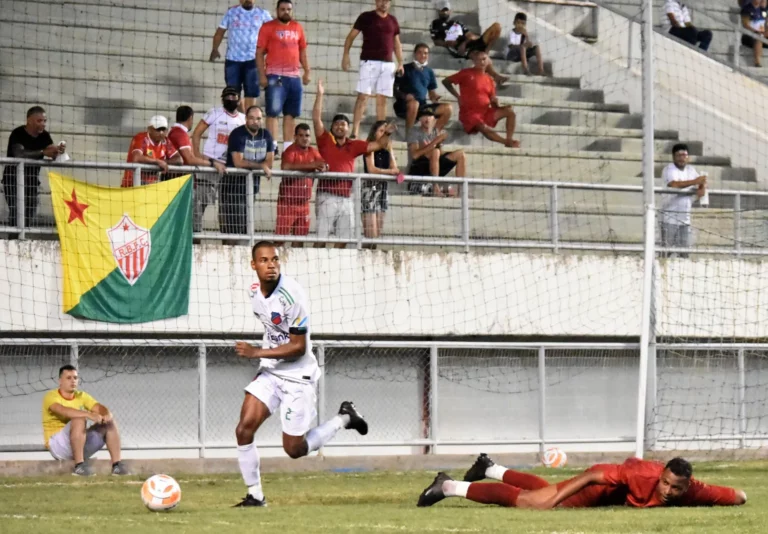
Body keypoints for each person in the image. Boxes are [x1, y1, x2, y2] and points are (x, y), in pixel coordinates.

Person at [232, 241, 369, 507]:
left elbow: (298, 347)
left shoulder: (292, 296)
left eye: (275, 260)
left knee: (294, 450)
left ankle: (344, 418)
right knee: (243, 429)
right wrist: (264, 357)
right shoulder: (253, 292)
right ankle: (255, 496)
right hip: (271, 373)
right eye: (264, 260)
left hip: (298, 377)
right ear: (253, 265)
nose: (271, 265)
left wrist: (256, 353)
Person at [418, 453, 747, 508]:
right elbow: (592, 475)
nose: (669, 492)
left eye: (677, 488)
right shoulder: (638, 474)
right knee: (533, 500)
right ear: (660, 476)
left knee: (539, 487)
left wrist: (738, 497)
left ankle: (488, 468)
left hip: (608, 496)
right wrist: (555, 501)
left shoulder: (696, 491)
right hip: (597, 487)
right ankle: (449, 486)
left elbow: (739, 496)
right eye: (665, 484)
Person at [312, 79, 397, 248]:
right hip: (327, 195)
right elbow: (316, 118)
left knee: (344, 239)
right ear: (332, 128)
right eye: (336, 124)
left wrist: (386, 133)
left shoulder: (354, 145)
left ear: (348, 128)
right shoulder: (325, 141)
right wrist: (320, 95)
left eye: (343, 124)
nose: (339, 127)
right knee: (321, 238)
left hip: (346, 197)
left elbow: (378, 144)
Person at [42, 365, 128, 477]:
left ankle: (117, 466)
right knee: (79, 418)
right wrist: (89, 414)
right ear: (60, 381)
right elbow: (64, 411)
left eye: (75, 378)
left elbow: (99, 407)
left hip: (79, 444)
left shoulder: (82, 396)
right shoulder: (51, 396)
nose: (73, 381)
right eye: (68, 378)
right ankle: (79, 467)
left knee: (109, 422)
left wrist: (106, 413)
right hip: (58, 446)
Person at [342, 0, 404, 139]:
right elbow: (351, 37)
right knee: (363, 96)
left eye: (386, 1)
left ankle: (380, 130)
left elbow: (396, 43)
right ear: (376, 2)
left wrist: (400, 62)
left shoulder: (393, 20)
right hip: (369, 62)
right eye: (381, 0)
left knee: (382, 99)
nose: (384, 3)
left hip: (387, 63)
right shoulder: (366, 17)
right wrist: (346, 55)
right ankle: (355, 130)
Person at [257, 0, 311, 155]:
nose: (286, 12)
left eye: (288, 9)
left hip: (294, 77)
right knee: (273, 112)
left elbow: (302, 52)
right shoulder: (268, 27)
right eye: (283, 9)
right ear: (277, 10)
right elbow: (259, 53)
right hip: (275, 75)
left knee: (291, 114)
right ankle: (272, 146)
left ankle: (287, 147)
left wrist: (307, 71)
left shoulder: (298, 27)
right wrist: (262, 75)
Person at [191, 87, 247, 232]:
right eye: (227, 96)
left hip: (230, 168)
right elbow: (196, 133)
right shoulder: (214, 113)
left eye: (233, 96)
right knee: (198, 203)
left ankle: (226, 240)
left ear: (239, 99)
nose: (230, 99)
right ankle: (194, 238)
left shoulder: (243, 119)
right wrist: (197, 155)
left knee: (226, 207)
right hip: (210, 165)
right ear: (222, 99)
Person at [167, 106, 226, 232]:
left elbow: (192, 156)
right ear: (190, 118)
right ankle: (193, 247)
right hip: (181, 186)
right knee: (193, 223)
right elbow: (189, 159)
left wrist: (212, 161)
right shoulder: (179, 134)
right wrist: (212, 163)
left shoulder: (177, 133)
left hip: (182, 184)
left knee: (193, 218)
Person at [443, 51, 519, 148]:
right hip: (470, 113)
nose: (482, 62)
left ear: (488, 61)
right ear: (474, 61)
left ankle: (509, 139)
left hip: (485, 112)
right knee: (482, 126)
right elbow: (446, 81)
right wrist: (458, 96)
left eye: (484, 59)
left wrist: (498, 105)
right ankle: (506, 142)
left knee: (510, 112)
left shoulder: (489, 79)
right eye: (479, 60)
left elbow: (493, 103)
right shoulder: (466, 73)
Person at [3, 106, 63, 228]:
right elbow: (19, 154)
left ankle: (23, 241)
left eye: (45, 121)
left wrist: (57, 151)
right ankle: (14, 240)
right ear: (29, 120)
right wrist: (43, 152)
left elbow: (51, 152)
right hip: (13, 181)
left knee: (29, 216)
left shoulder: (44, 135)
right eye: (39, 120)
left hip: (32, 182)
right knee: (16, 215)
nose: (43, 124)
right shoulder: (18, 133)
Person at [210, 0, 272, 113]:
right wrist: (215, 49)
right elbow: (220, 32)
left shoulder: (263, 14)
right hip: (233, 60)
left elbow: (273, 32)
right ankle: (243, 118)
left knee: (251, 93)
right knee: (233, 93)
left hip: (253, 60)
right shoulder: (231, 12)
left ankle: (248, 119)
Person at [223, 106, 275, 235]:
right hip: (232, 188)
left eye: (258, 118)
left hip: (252, 187)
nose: (255, 121)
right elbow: (238, 162)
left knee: (247, 227)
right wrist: (261, 166)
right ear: (246, 118)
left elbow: (270, 162)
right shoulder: (237, 134)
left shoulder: (266, 135)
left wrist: (263, 165)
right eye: (251, 118)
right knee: (233, 228)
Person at [430, 0, 508, 85]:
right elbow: (436, 41)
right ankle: (496, 76)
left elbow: (471, 35)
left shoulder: (456, 23)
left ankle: (487, 50)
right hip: (461, 48)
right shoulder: (436, 23)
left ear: (450, 11)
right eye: (442, 10)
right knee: (480, 56)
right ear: (438, 10)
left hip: (470, 43)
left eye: (446, 10)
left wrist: (466, 42)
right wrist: (448, 43)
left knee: (497, 27)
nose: (445, 12)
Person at [277, 124, 326, 246]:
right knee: (280, 239)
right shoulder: (290, 151)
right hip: (287, 203)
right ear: (295, 137)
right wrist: (312, 166)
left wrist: (324, 167)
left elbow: (323, 164)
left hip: (304, 203)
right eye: (301, 135)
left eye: (307, 136)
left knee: (300, 240)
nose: (305, 138)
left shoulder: (313, 151)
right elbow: (286, 167)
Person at [660, 143, 706, 257]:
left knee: (684, 254)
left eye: (684, 155)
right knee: (666, 251)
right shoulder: (668, 169)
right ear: (673, 157)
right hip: (669, 218)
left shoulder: (691, 170)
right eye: (678, 155)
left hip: (685, 219)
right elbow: (674, 184)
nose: (681, 158)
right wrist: (695, 181)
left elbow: (701, 181)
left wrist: (702, 187)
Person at [393, 43, 453, 132]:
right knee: (414, 104)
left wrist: (434, 96)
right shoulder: (405, 68)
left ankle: (434, 135)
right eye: (420, 52)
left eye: (425, 53)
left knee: (448, 108)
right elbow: (394, 89)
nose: (423, 55)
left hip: (422, 106)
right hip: (404, 105)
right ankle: (409, 136)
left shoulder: (429, 72)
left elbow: (431, 92)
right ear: (415, 54)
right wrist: (405, 96)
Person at [407, 108, 465, 197]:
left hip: (434, 164)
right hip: (419, 167)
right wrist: (435, 142)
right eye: (424, 116)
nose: (427, 118)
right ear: (419, 120)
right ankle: (435, 188)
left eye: (430, 116)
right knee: (435, 152)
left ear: (434, 119)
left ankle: (461, 193)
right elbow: (415, 155)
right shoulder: (415, 132)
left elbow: (440, 154)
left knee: (460, 154)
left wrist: (439, 142)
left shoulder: (436, 132)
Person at [362, 120, 400, 242]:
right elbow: (371, 169)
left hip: (383, 189)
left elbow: (395, 168)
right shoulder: (370, 146)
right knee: (371, 232)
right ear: (374, 133)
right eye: (381, 131)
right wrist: (389, 172)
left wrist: (393, 171)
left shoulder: (388, 148)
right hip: (370, 188)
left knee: (378, 232)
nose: (384, 134)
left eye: (386, 132)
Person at [121, 116, 181, 188]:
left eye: (163, 129)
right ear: (149, 129)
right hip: (132, 184)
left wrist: (164, 162)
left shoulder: (166, 141)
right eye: (158, 129)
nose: (161, 132)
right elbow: (136, 158)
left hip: (152, 187)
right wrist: (157, 162)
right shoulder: (141, 138)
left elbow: (178, 159)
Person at [741, 0, 768, 67]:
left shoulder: (763, 10)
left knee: (761, 36)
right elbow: (745, 25)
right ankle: (757, 62)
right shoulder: (746, 9)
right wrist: (756, 31)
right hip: (749, 35)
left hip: (762, 34)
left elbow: (765, 22)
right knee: (758, 38)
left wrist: (766, 31)